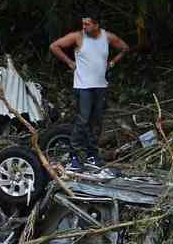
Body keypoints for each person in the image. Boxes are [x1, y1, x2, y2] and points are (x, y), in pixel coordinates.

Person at [50, 12, 130, 170]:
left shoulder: (107, 37)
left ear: (96, 25)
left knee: (97, 122)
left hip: (100, 85)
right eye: (83, 24)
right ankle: (74, 156)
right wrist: (69, 63)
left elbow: (125, 48)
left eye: (87, 24)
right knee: (83, 120)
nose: (84, 27)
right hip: (83, 86)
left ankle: (92, 155)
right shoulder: (78, 37)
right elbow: (54, 46)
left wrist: (112, 63)